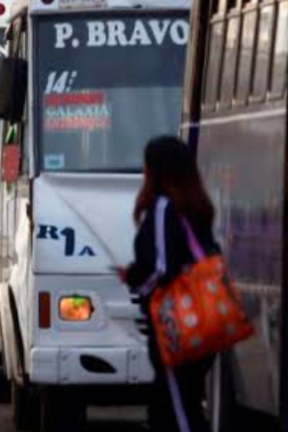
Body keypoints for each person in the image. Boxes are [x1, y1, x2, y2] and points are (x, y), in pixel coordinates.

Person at [124, 136, 219, 432]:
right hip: (201, 322)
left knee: (177, 411)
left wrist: (137, 283)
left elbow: (162, 267)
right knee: (177, 405)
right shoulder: (193, 207)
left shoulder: (165, 207)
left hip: (175, 325)